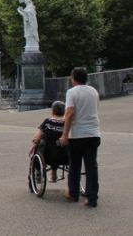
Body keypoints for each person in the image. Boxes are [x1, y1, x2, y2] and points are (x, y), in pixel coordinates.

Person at [60, 67, 101, 207]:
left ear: (73, 78)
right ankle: (92, 197)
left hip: (78, 134)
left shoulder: (72, 92)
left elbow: (70, 113)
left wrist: (65, 135)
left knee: (75, 165)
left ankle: (73, 193)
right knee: (91, 166)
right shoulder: (94, 91)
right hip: (94, 133)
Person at [32, 101, 67, 181]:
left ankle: (38, 171)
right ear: (64, 111)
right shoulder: (66, 123)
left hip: (48, 155)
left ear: (53, 111)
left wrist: (35, 140)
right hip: (64, 155)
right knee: (58, 146)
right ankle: (54, 172)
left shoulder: (47, 122)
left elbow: (38, 137)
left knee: (40, 145)